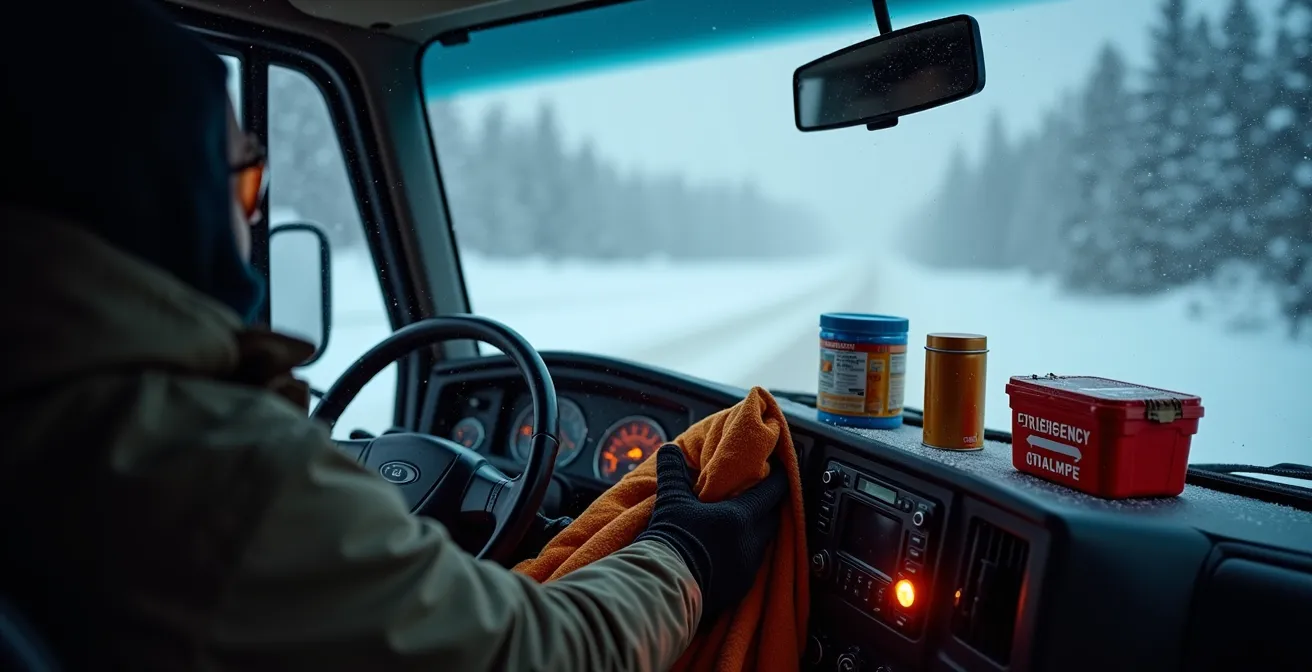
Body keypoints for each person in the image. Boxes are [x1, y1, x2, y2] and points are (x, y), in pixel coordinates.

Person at [0, 1, 787, 670]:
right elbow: (535, 652)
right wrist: (685, 555)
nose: (247, 219)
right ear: (174, 200)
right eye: (241, 184)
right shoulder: (209, 468)